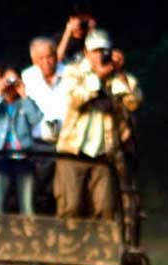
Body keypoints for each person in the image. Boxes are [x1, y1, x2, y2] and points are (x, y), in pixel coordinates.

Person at [55, 29, 142, 220]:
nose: (99, 56)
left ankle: (98, 249)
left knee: (105, 208)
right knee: (71, 206)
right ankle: (67, 247)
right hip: (73, 151)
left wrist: (119, 73)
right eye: (94, 51)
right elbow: (74, 99)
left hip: (104, 153)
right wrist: (98, 77)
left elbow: (133, 102)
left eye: (103, 50)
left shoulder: (117, 75)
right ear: (86, 52)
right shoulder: (73, 71)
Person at [0, 67, 43, 215]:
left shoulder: (24, 103)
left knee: (27, 205)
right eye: (7, 81)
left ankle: (29, 234)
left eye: (14, 81)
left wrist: (24, 95)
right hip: (1, 158)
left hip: (23, 157)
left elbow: (36, 119)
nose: (10, 86)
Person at [21, 36, 65, 144]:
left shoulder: (70, 73)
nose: (46, 62)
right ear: (34, 60)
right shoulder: (27, 77)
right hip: (38, 142)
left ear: (56, 56)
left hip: (67, 140)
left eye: (49, 56)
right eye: (41, 58)